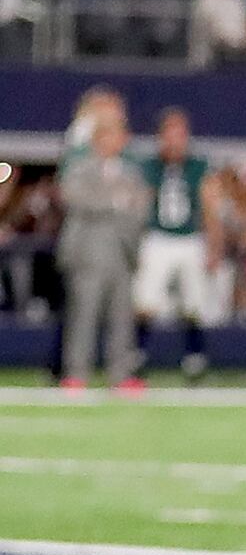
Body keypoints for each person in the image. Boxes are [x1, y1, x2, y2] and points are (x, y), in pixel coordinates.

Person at [54, 88, 149, 390]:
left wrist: (120, 206)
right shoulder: (80, 167)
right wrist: (113, 203)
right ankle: (76, 372)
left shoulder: (131, 172)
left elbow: (140, 205)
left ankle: (120, 373)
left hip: (121, 254)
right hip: (88, 254)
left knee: (121, 320)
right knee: (83, 316)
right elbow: (73, 197)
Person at [129, 105, 219, 383]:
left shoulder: (199, 166)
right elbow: (140, 205)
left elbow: (210, 207)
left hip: (190, 237)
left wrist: (214, 246)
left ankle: (195, 357)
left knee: (193, 303)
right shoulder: (149, 166)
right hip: (157, 236)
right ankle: (138, 355)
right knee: (146, 300)